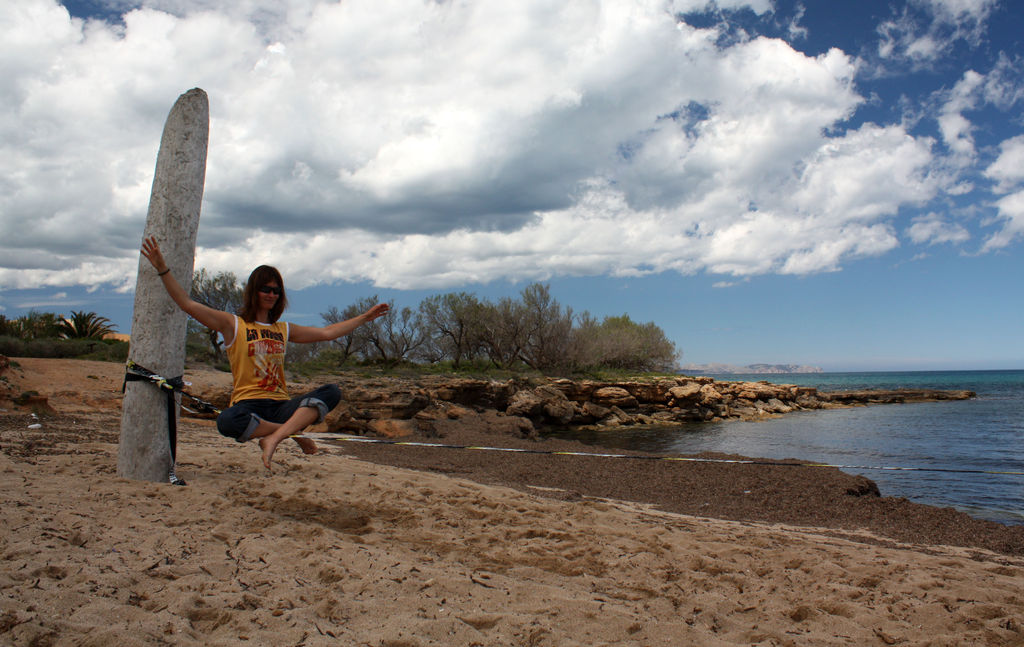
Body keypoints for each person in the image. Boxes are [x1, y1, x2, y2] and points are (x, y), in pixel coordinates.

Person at [140, 236, 389, 469]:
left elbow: (327, 333)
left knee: (332, 391)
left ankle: (275, 437)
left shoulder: (283, 328)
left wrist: (365, 317)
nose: (271, 295)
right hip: (249, 405)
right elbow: (187, 303)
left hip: (281, 404)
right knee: (227, 421)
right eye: (266, 289)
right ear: (254, 292)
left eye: (276, 291)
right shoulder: (234, 324)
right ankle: (290, 433)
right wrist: (163, 269)